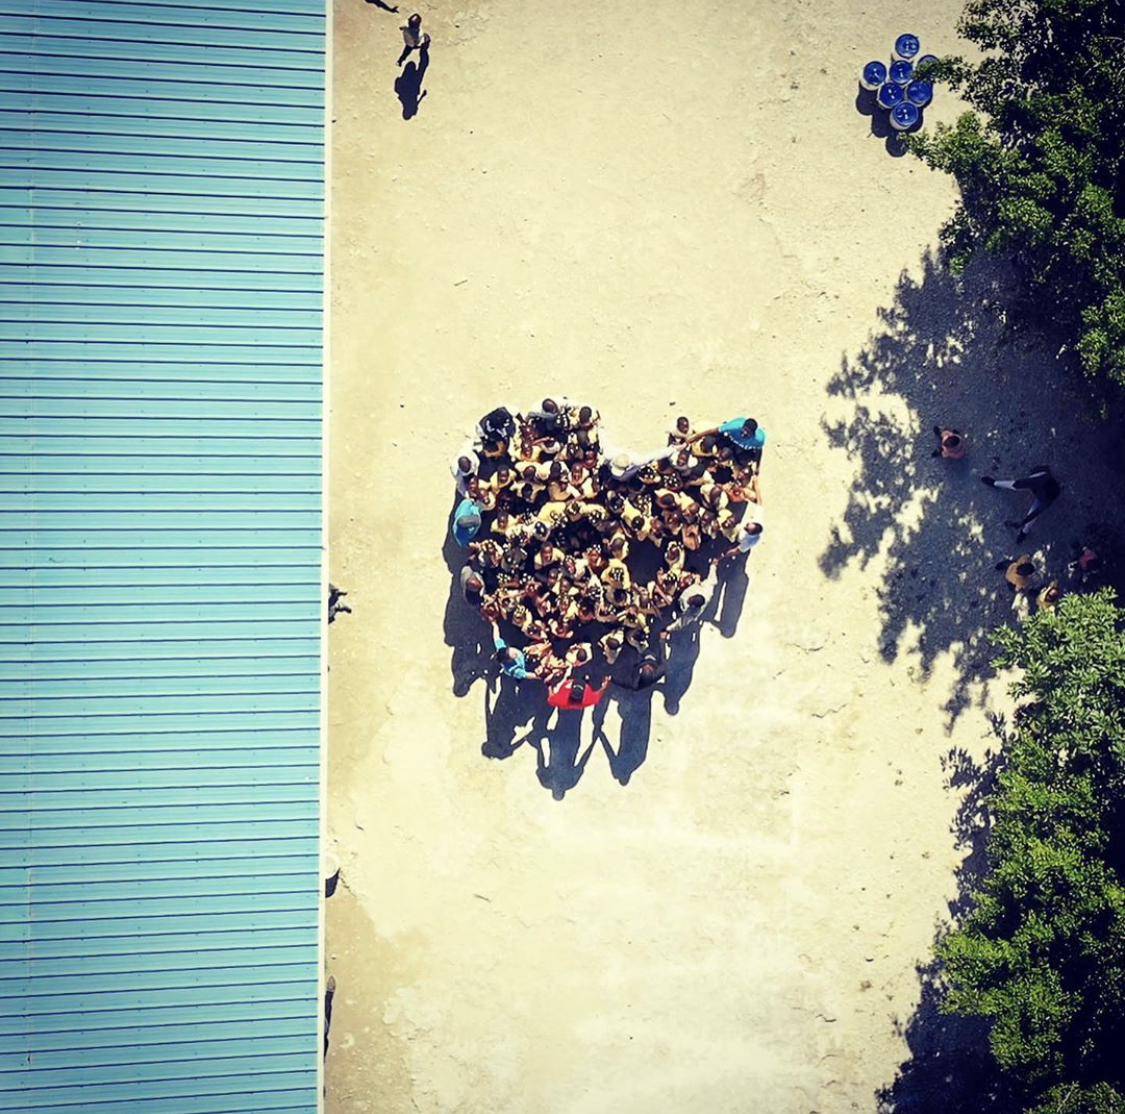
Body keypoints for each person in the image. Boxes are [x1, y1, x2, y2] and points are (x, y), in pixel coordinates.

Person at [980, 465, 1061, 542]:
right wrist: (1021, 523)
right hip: (1038, 476)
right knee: (1014, 486)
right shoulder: (1038, 482)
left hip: (1043, 485)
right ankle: (995, 483)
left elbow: (1034, 514)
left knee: (1032, 518)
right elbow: (1017, 485)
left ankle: (1024, 532)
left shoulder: (1047, 500)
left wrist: (1022, 522)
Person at [694, 417, 766, 452]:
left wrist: (757, 467)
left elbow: (759, 450)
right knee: (708, 443)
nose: (745, 433)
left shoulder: (758, 439)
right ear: (742, 426)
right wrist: (695, 437)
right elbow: (715, 430)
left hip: (738, 448)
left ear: (753, 433)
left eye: (748, 432)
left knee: (743, 460)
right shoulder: (734, 426)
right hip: (727, 438)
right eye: (744, 430)